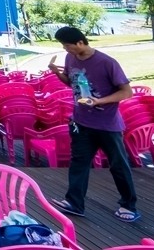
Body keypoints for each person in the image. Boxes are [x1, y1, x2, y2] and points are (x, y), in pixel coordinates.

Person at [48, 27, 139, 223]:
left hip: (107, 124)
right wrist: (57, 73)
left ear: (80, 42)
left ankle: (128, 205)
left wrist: (99, 101)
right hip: (81, 122)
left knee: (118, 165)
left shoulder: (107, 62)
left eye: (68, 45)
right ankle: (74, 203)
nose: (65, 49)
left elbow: (126, 92)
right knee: (79, 163)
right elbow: (72, 83)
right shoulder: (70, 58)